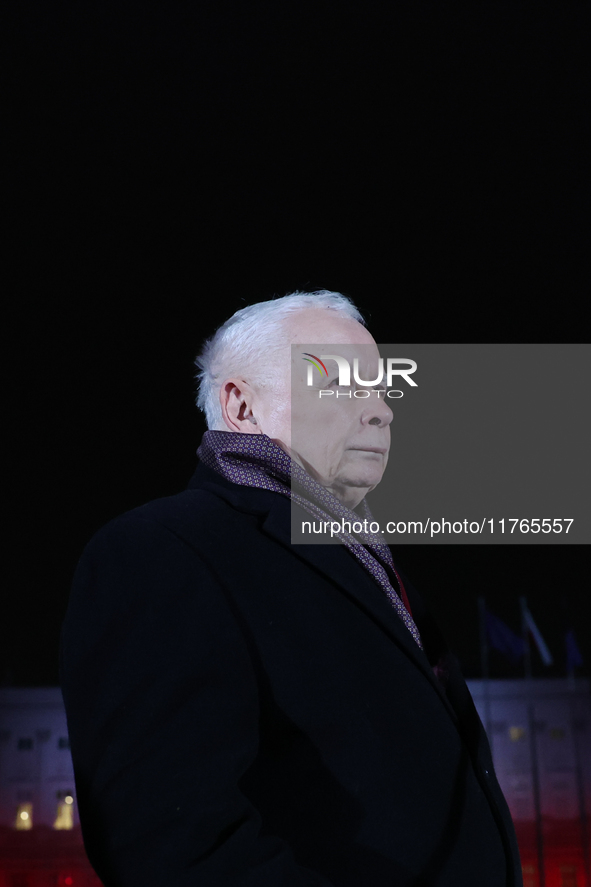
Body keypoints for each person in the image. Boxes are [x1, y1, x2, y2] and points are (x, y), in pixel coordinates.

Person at [60, 290, 523, 886]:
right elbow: (169, 842)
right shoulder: (160, 549)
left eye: (382, 390)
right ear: (243, 407)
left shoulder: (359, 559)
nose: (382, 411)